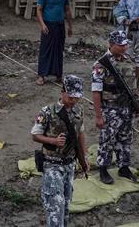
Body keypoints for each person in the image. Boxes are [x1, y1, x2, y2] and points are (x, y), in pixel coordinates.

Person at [31, 75, 88, 227]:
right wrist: (53, 141)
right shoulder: (47, 112)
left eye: (77, 97)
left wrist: (83, 159)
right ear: (62, 92)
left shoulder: (79, 111)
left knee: (66, 206)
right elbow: (35, 135)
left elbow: (80, 135)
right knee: (55, 206)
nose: (74, 100)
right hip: (52, 164)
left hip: (69, 164)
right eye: (70, 97)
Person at [92, 30, 139, 185]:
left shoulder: (128, 59)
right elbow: (96, 91)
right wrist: (99, 115)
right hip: (110, 108)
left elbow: (133, 85)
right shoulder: (101, 64)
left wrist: (136, 105)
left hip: (126, 108)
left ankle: (124, 167)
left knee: (126, 138)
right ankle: (103, 169)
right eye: (120, 45)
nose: (124, 48)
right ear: (111, 44)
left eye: (125, 44)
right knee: (107, 139)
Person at [35, 0, 73, 85]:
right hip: (48, 25)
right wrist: (42, 24)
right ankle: (42, 75)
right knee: (45, 50)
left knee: (58, 50)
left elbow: (67, 10)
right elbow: (39, 10)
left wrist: (70, 26)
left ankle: (58, 75)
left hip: (60, 25)